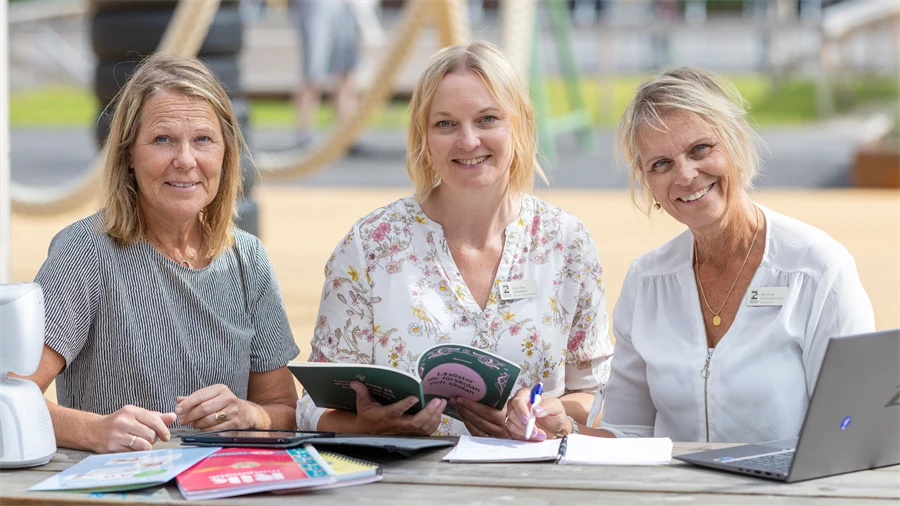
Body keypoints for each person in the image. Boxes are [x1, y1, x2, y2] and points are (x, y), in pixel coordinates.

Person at [506, 67, 876, 443]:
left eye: (700, 149)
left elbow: (850, 433)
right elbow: (629, 435)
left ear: (736, 143)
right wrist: (565, 429)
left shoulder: (817, 270)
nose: (685, 175)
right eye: (661, 164)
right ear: (648, 182)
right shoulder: (646, 281)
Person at [296, 41, 613, 437]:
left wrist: (546, 414)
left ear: (520, 125)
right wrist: (367, 426)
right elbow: (313, 405)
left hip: (535, 486)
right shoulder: (370, 246)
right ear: (423, 136)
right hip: (407, 488)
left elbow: (596, 396)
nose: (468, 142)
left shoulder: (566, 243)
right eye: (446, 124)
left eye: (487, 119)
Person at [22, 53, 300, 454]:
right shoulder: (85, 252)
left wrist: (249, 415)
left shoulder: (248, 258)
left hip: (223, 490)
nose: (185, 160)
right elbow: (11, 394)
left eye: (203, 139)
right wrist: (93, 430)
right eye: (162, 139)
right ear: (128, 156)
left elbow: (284, 410)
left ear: (226, 154)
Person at [290, 0, 359, 146]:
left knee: (346, 70)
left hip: (345, 5)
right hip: (318, 5)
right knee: (313, 72)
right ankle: (304, 132)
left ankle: (346, 133)